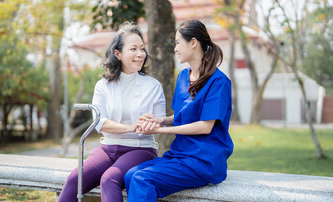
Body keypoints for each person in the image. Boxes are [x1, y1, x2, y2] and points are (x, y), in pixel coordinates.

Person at [124, 19, 234, 202]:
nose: (175, 48)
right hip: (179, 155)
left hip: (203, 160)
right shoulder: (184, 77)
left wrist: (158, 130)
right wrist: (160, 120)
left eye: (177, 42)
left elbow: (205, 126)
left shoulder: (219, 82)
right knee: (130, 175)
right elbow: (183, 116)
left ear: (193, 43)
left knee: (142, 179)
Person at [57, 23, 166, 202]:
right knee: (75, 179)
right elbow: (99, 123)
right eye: (133, 49)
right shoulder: (103, 85)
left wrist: (151, 124)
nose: (140, 54)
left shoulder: (153, 86)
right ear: (118, 54)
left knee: (109, 179)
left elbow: (159, 122)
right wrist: (132, 126)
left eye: (142, 49)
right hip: (108, 148)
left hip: (140, 148)